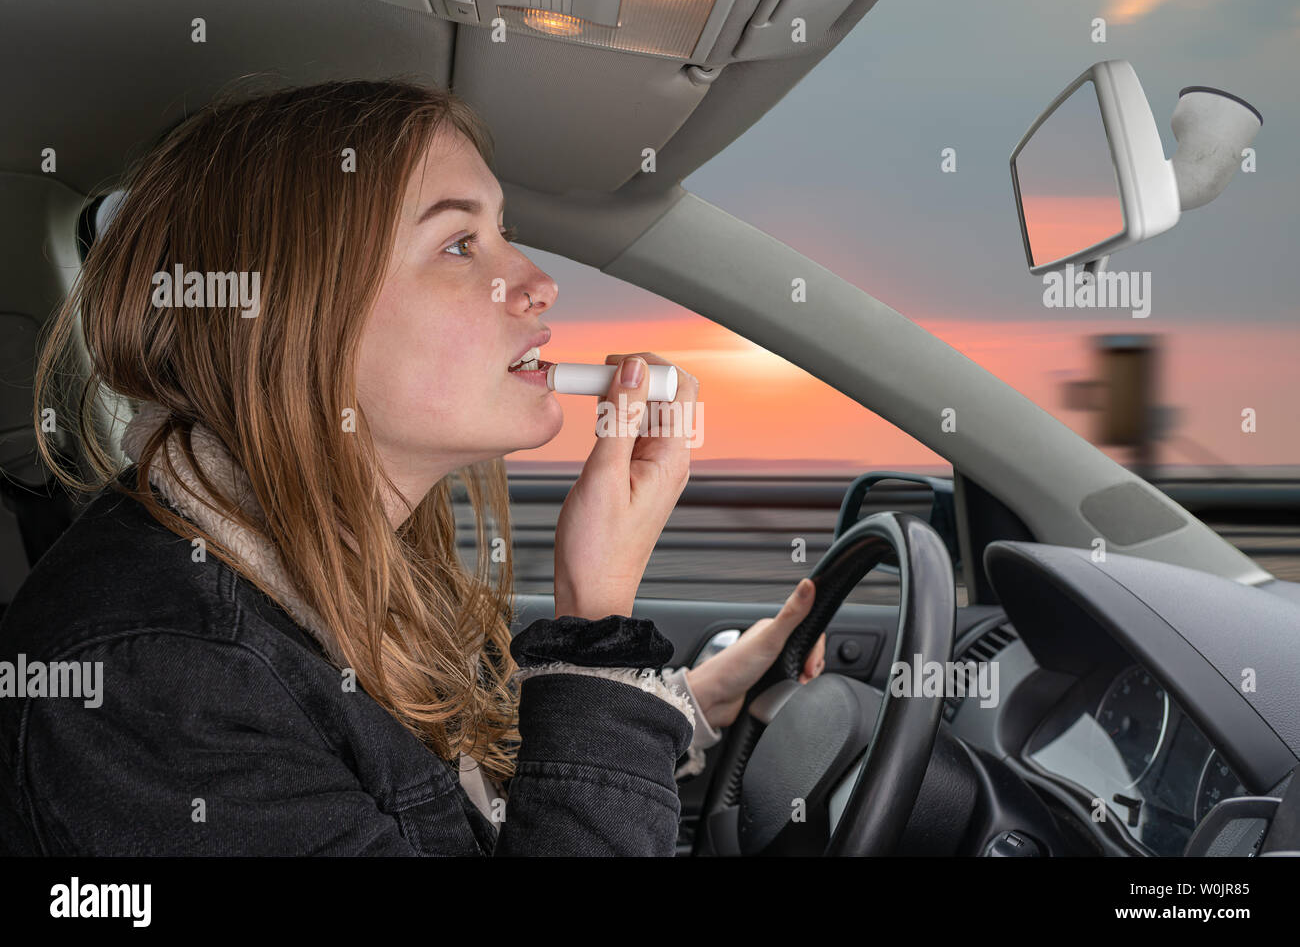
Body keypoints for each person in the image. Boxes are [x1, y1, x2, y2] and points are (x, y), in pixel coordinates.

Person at [0, 80, 825, 856]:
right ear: (297, 318)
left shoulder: (350, 568)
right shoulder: (154, 689)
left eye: (504, 234)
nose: (538, 284)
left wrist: (705, 698)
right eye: (460, 243)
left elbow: (492, 797)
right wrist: (597, 621)